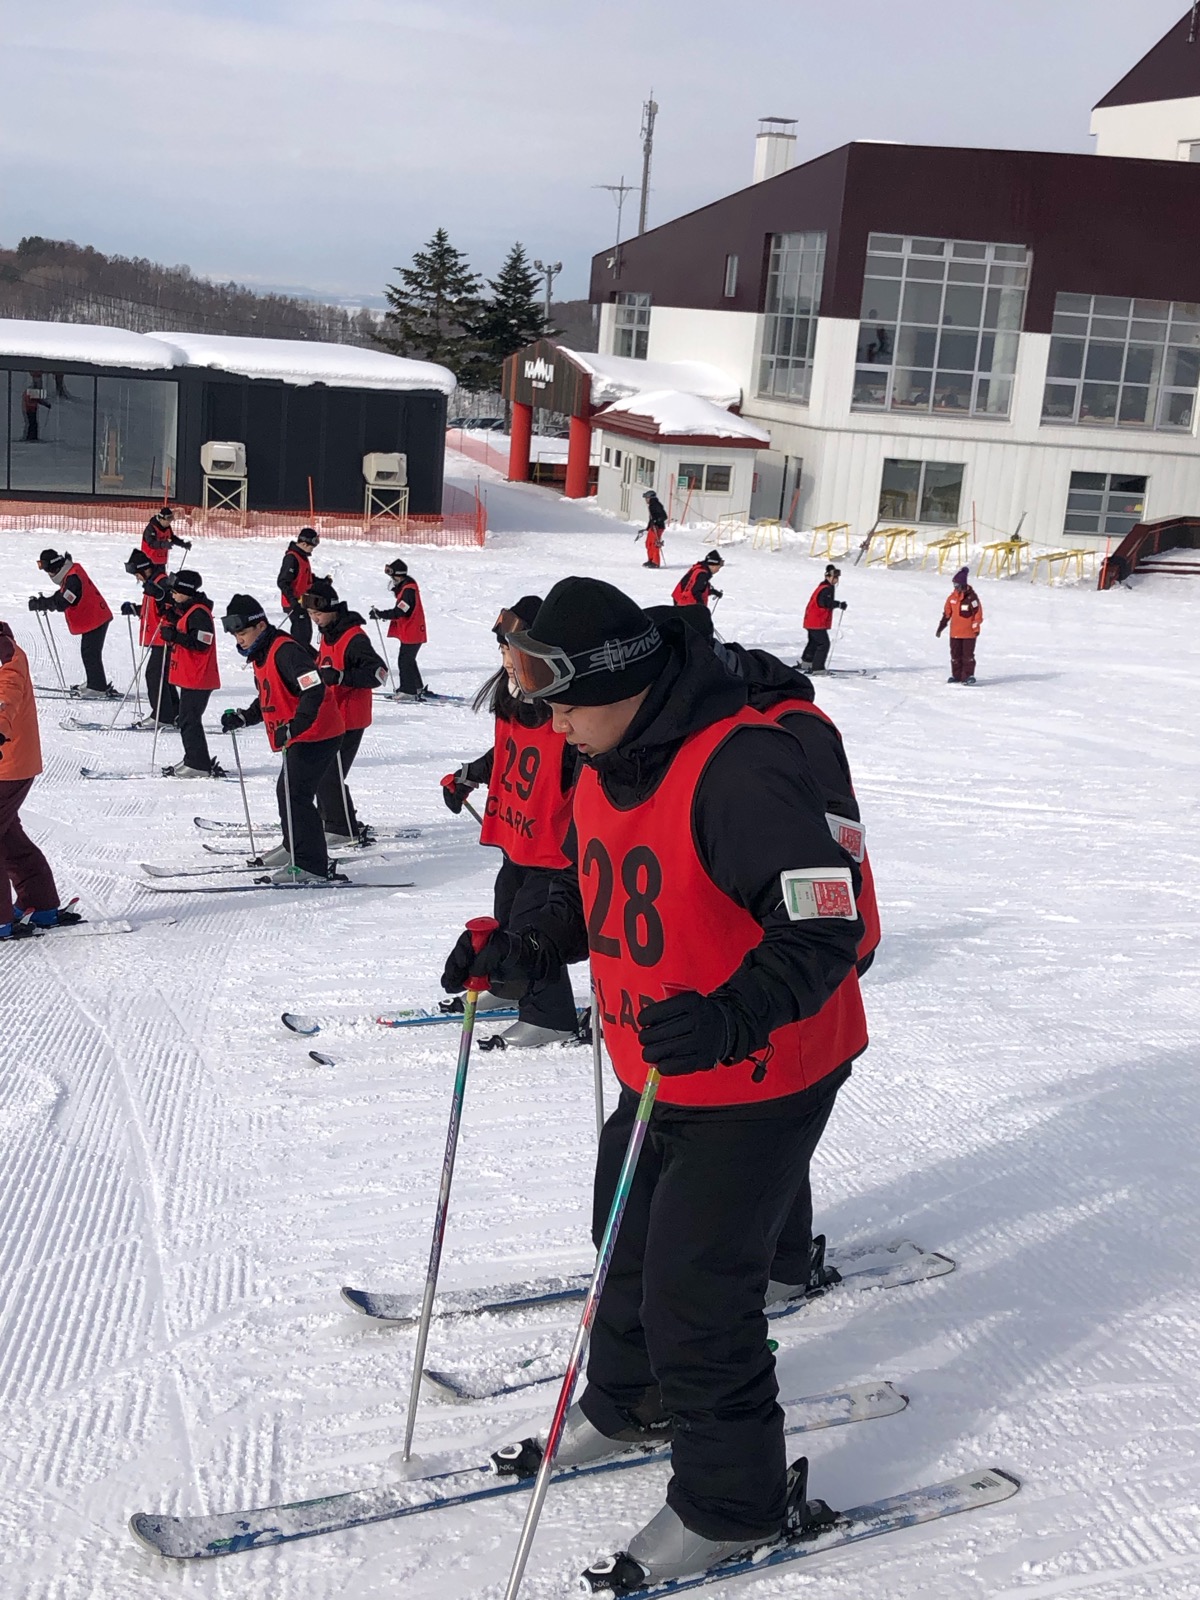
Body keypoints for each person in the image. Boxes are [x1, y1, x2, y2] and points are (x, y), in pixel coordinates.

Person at [443, 577, 867, 1587]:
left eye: (558, 696)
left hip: (766, 1064)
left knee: (696, 1289)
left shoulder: (738, 767)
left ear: (621, 678)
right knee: (621, 1234)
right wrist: (532, 943)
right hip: (667, 1064)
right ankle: (636, 1398)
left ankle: (737, 1501)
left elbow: (826, 916)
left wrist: (730, 1012)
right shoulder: (604, 759)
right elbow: (607, 893)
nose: (546, 719)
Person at [440, 594, 580, 1048]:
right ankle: (508, 982)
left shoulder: (564, 710)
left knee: (531, 921)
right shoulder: (513, 695)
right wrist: (469, 776)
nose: (504, 660)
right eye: (501, 650)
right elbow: (507, 754)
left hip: (554, 845)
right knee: (506, 905)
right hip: (518, 835)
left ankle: (550, 1015)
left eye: (509, 651)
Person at [219, 594, 344, 884]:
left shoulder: (286, 651)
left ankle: (311, 865)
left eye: (243, 633)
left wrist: (294, 726)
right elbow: (269, 694)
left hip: (318, 734)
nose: (239, 640)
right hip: (303, 735)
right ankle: (294, 848)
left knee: (294, 794)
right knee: (288, 792)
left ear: (260, 626)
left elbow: (313, 688)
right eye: (235, 635)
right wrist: (244, 717)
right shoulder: (262, 654)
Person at [0, 619, 83, 939]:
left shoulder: (6, 653)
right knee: (8, 835)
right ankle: (40, 902)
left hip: (8, 763)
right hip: (12, 762)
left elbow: (6, 695)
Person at [302, 577, 388, 846]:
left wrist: (340, 677)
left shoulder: (353, 637)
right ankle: (334, 820)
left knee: (329, 772)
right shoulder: (330, 632)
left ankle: (342, 828)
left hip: (350, 717)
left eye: (318, 613)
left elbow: (379, 674)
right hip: (333, 715)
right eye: (311, 614)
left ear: (332, 608)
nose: (315, 619)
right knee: (324, 770)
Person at [160, 570, 224, 779]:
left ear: (186, 592)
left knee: (189, 719)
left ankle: (198, 763)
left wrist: (176, 637)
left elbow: (202, 641)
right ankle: (194, 759)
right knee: (187, 718)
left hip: (199, 677)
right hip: (191, 676)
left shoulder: (199, 613)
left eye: (176, 592)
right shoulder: (189, 610)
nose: (173, 596)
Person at [28, 549, 115, 696]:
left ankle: (97, 687)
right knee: (88, 651)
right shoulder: (70, 574)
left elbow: (63, 601)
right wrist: (44, 602)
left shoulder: (73, 578)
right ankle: (95, 680)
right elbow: (61, 595)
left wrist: (44, 604)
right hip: (94, 617)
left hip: (96, 618)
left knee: (90, 652)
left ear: (54, 569)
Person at [121, 550, 178, 728]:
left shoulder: (161, 581)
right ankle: (175, 713)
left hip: (165, 638)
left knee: (154, 676)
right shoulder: (153, 582)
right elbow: (153, 609)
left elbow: (170, 605)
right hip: (158, 638)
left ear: (144, 570)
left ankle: (163, 716)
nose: (137, 579)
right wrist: (135, 609)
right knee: (163, 677)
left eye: (137, 575)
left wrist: (161, 595)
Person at [369, 558, 427, 701]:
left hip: (412, 631)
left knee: (404, 660)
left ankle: (409, 691)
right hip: (411, 631)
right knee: (409, 660)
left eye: (393, 577)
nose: (392, 581)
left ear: (399, 576)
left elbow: (401, 611)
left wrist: (380, 614)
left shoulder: (408, 591)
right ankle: (416, 687)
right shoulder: (407, 587)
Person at [937, 566, 983, 684]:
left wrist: (976, 627)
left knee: (967, 656)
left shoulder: (972, 598)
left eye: (957, 585)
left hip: (968, 633)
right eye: (954, 585)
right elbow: (947, 614)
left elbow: (978, 614)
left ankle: (968, 676)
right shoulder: (952, 598)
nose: (955, 588)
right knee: (955, 655)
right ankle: (956, 675)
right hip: (955, 633)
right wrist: (941, 627)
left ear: (963, 585)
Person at [277, 528, 320, 649]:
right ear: (304, 544)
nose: (313, 549)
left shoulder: (302, 557)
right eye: (312, 545)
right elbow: (283, 582)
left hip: (303, 601)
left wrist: (322, 582)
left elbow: (305, 578)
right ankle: (297, 657)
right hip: (294, 603)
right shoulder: (292, 558)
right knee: (301, 634)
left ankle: (302, 655)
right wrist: (293, 600)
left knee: (306, 633)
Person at [799, 565, 847, 675]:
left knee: (814, 642)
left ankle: (807, 662)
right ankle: (818, 668)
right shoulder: (826, 589)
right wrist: (838, 604)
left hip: (812, 620)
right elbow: (823, 602)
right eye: (834, 577)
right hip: (816, 621)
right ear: (828, 576)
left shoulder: (823, 586)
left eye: (837, 578)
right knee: (823, 644)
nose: (836, 580)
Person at [21, 374, 50, 442]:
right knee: (32, 423)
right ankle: (30, 437)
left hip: (31, 409)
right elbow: (37, 400)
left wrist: (46, 404)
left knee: (33, 423)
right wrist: (46, 404)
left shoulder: (31, 390)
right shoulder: (31, 390)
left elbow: (38, 399)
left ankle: (32, 436)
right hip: (29, 409)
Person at [642, 490, 667, 568]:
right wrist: (648, 527)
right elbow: (652, 518)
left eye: (647, 498)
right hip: (653, 527)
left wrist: (657, 521)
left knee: (654, 544)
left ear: (650, 498)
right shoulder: (651, 505)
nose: (646, 500)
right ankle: (651, 559)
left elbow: (664, 516)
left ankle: (656, 562)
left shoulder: (656, 505)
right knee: (648, 543)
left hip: (658, 527)